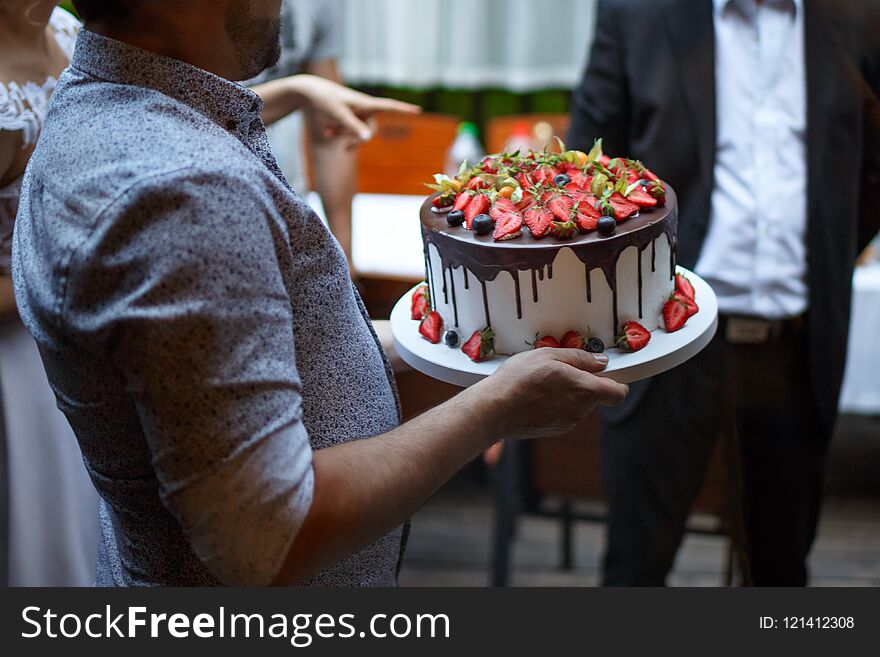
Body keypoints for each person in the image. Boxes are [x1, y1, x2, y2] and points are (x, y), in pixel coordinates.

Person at [14, 0, 628, 587]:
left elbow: (225, 374)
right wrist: (497, 409)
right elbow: (268, 538)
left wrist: (432, 345)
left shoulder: (98, 102)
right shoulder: (186, 193)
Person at [568, 0, 880, 585]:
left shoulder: (858, 15)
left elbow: (870, 166)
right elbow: (589, 169)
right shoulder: (637, 14)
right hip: (664, 341)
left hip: (796, 343)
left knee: (781, 573)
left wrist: (832, 250)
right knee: (635, 568)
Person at [0, 0, 99, 586]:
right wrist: (64, 281)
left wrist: (300, 97)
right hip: (21, 365)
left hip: (86, 337)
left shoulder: (70, 31)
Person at [246, 0, 360, 270]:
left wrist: (343, 257)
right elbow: (189, 104)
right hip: (207, 200)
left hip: (289, 205)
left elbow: (332, 131)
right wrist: (299, 92)